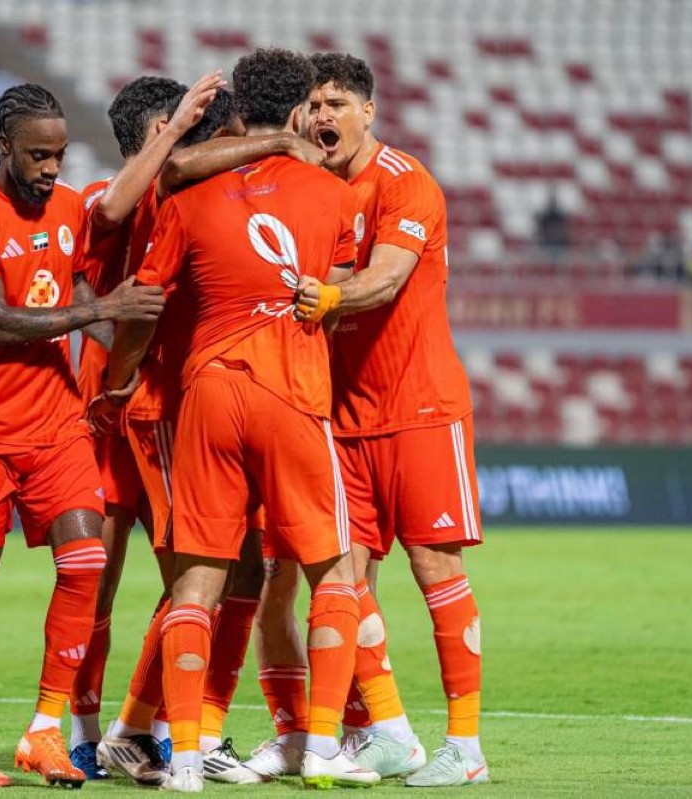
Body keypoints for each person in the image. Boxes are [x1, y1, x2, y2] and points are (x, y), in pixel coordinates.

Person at [102, 47, 377, 792]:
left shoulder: (187, 196)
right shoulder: (332, 194)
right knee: (333, 573)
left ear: (235, 111)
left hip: (207, 395)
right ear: (298, 111)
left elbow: (144, 303)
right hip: (291, 390)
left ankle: (187, 758)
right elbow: (336, 292)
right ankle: (321, 745)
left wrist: (117, 378)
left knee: (195, 582)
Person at [0, 82, 166, 789]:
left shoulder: (67, 210)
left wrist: (131, 355)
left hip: (58, 423)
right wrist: (105, 310)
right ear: (3, 146)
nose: (52, 168)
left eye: (59, 155)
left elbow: (83, 295)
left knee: (86, 565)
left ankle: (44, 731)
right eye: (38, 155)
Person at [90, 85, 312, 787]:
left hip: (209, 405)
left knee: (237, 569)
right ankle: (138, 730)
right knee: (192, 578)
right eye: (231, 138)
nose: (239, 152)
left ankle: (190, 728)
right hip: (162, 403)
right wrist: (279, 141)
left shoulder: (203, 194)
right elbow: (138, 289)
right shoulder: (161, 188)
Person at [294, 52, 488, 787]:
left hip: (421, 408)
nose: (323, 117)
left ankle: (465, 747)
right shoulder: (314, 191)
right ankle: (389, 730)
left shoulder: (406, 182)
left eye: (337, 104)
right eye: (314, 105)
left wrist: (324, 296)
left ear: (368, 112)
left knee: (436, 567)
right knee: (343, 576)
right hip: (344, 416)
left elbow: (385, 278)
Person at [66, 72, 212, 779]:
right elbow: (84, 278)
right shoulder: (105, 198)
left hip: (167, 409)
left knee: (190, 572)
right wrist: (118, 350)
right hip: (104, 409)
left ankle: (147, 723)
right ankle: (83, 728)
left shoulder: (190, 200)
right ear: (156, 132)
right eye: (181, 127)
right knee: (96, 577)